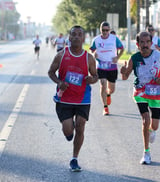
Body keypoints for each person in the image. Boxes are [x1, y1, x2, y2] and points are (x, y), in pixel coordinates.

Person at [120, 31, 160, 164]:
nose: (145, 45)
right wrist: (123, 72)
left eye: (147, 42)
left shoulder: (158, 56)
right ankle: (146, 153)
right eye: (142, 42)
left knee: (154, 126)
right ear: (137, 44)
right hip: (140, 91)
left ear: (151, 43)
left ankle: (151, 130)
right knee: (145, 119)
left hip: (155, 93)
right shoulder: (134, 58)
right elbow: (125, 77)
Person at [48, 25, 98, 172]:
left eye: (79, 34)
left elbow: (95, 76)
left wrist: (92, 79)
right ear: (69, 38)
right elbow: (51, 72)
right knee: (68, 130)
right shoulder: (61, 55)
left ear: (83, 38)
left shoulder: (89, 58)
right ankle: (69, 134)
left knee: (81, 126)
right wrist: (59, 83)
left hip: (83, 98)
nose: (76, 37)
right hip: (65, 99)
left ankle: (74, 158)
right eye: (73, 34)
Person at [90, 21, 124, 115]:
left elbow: (122, 48)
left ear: (109, 30)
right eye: (103, 30)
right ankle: (105, 107)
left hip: (112, 67)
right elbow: (91, 50)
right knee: (103, 84)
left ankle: (108, 94)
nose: (105, 32)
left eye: (107, 30)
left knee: (111, 89)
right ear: (100, 30)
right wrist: (94, 54)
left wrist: (117, 57)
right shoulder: (96, 40)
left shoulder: (114, 39)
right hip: (101, 66)